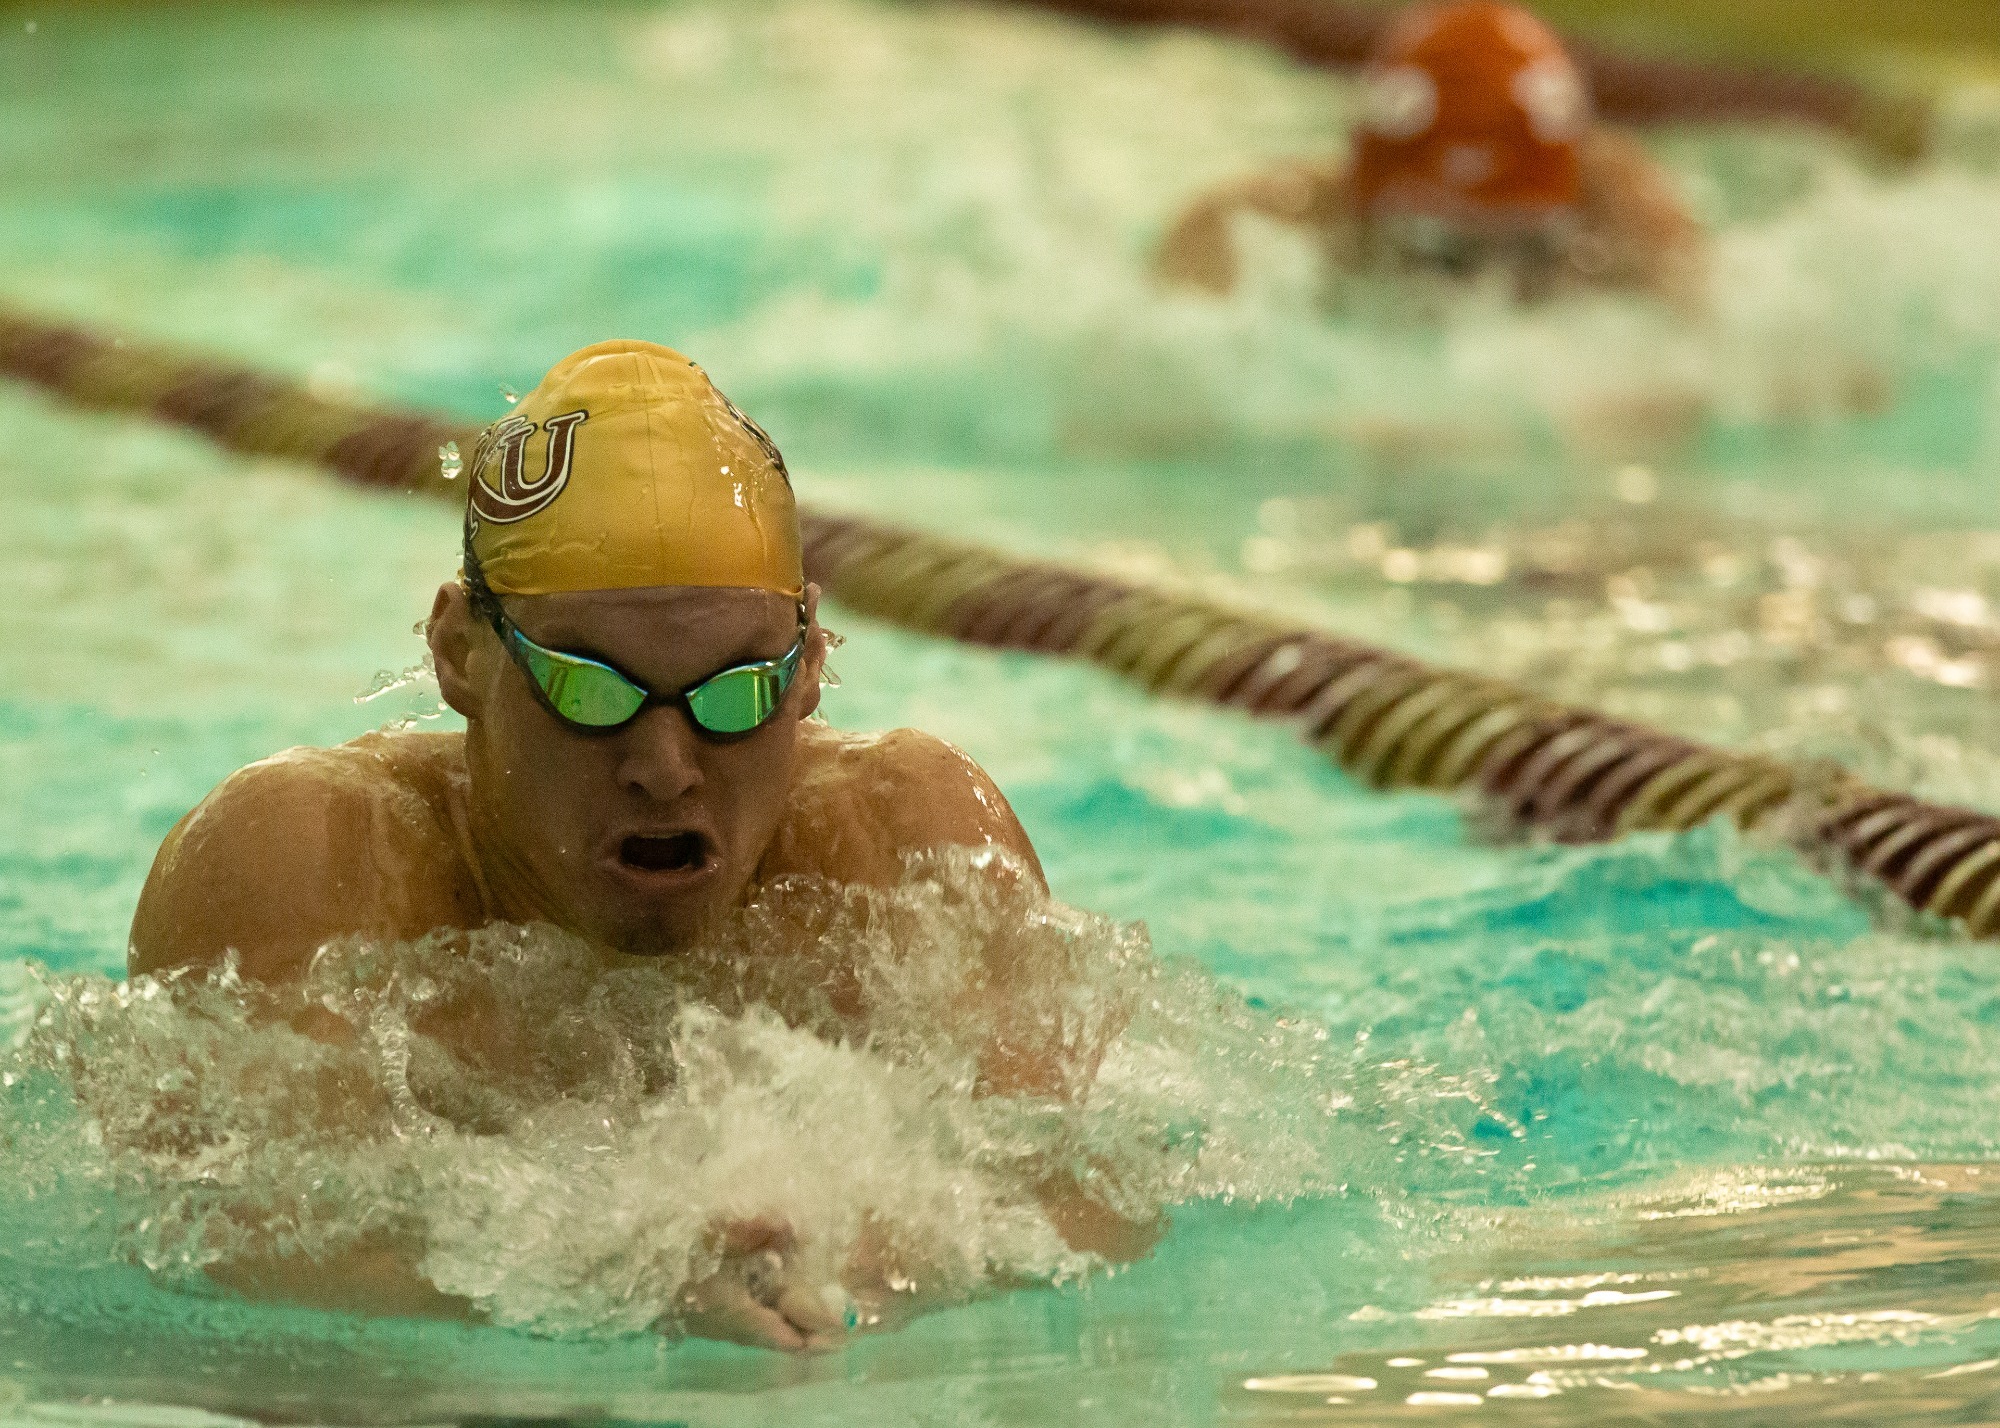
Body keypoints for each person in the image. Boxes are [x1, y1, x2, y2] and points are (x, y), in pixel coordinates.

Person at [127, 339, 1153, 1350]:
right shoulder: (310, 863)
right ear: (458, 655)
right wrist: (615, 1280)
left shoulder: (907, 839)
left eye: (733, 691)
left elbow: (1078, 1195)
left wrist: (857, 1259)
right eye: (590, 686)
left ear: (808, 665)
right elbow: (234, 1248)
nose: (664, 764)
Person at [1155, 1, 1702, 303]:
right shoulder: (1275, 218)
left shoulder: (1632, 223)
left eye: (1520, 246)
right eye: (1436, 247)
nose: (1478, 288)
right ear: (1361, 196)